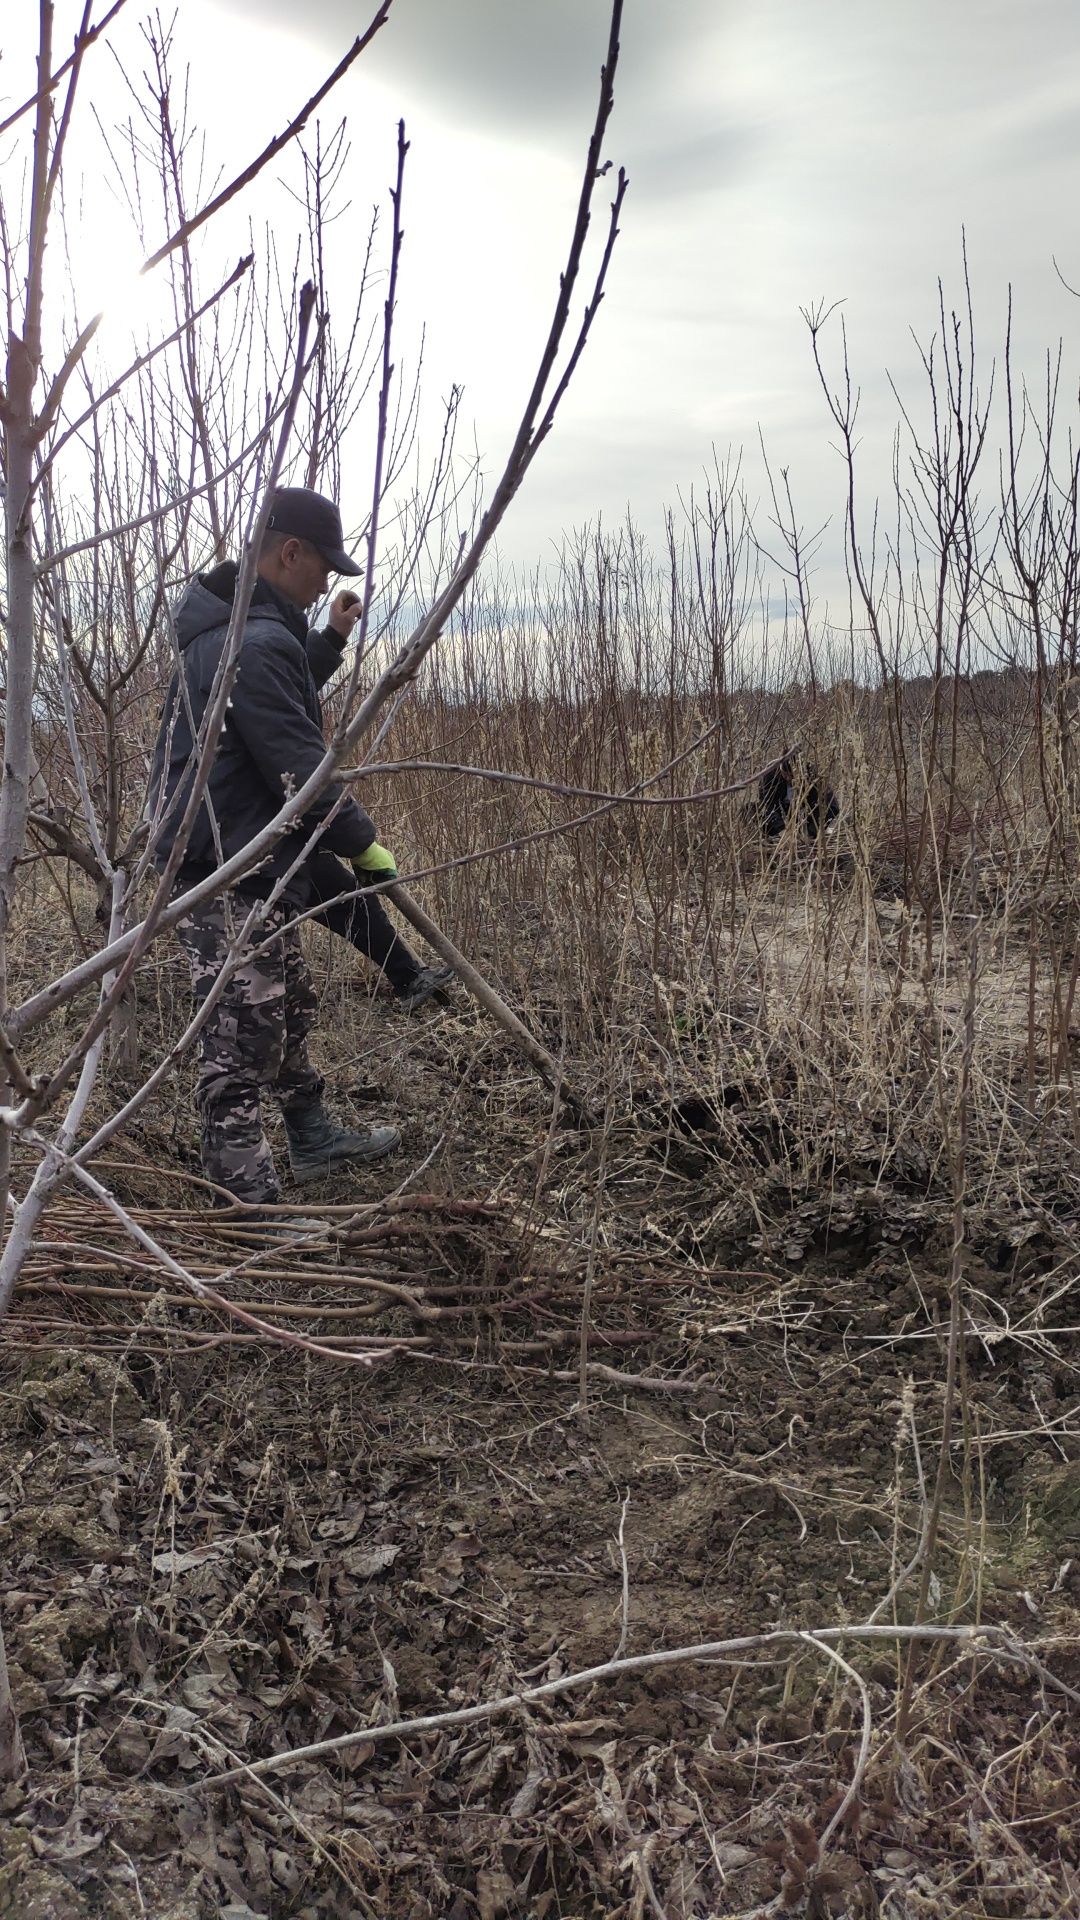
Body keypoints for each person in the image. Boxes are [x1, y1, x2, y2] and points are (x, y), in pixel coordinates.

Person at [149, 486, 406, 1206]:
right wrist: (363, 843)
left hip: (251, 862)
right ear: (289, 552)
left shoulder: (243, 634)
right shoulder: (254, 642)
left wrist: (328, 642)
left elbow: (271, 704)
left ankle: (313, 1138)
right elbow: (299, 762)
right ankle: (248, 1206)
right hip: (224, 868)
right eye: (324, 565)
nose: (329, 580)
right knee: (239, 1043)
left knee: (288, 1006)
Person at [306, 847, 453, 1010]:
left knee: (278, 945)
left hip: (280, 859)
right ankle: (409, 980)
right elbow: (333, 822)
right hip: (293, 854)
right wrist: (362, 846)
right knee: (357, 907)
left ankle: (283, 1014)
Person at [758, 754, 839, 842]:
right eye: (785, 775)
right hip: (778, 817)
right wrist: (782, 830)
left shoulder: (812, 775)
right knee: (750, 810)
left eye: (792, 776)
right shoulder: (769, 774)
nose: (789, 779)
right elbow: (767, 805)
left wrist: (811, 831)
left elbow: (832, 806)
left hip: (804, 817)